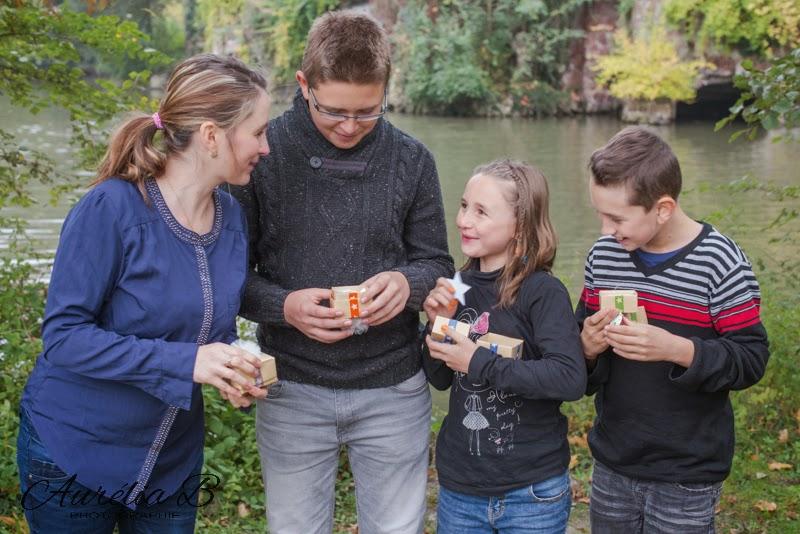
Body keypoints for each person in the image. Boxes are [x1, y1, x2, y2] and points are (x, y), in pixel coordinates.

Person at [16, 54, 271, 533]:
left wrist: (230, 370)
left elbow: (203, 332)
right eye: (257, 131)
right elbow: (64, 338)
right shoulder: (110, 208)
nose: (267, 146)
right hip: (75, 456)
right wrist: (187, 363)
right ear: (212, 135)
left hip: (170, 466)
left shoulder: (232, 218)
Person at [230, 11, 453, 534]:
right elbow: (230, 279)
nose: (350, 126)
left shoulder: (412, 160)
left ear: (385, 91)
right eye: (334, 111)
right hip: (291, 387)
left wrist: (407, 285)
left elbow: (436, 263)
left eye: (367, 112)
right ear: (303, 85)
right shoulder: (262, 155)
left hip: (394, 388)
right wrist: (285, 307)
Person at [576, 126, 770, 533]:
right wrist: (587, 347)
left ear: (662, 208)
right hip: (614, 459)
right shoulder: (605, 255)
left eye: (616, 218)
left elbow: (751, 359)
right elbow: (579, 346)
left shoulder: (721, 262)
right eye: (599, 214)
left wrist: (677, 350)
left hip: (688, 471)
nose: (604, 229)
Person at [422, 159, 586, 533]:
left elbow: (569, 377)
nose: (464, 220)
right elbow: (440, 377)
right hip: (461, 488)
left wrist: (478, 360)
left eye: (481, 212)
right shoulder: (457, 285)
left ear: (520, 225)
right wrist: (434, 326)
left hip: (531, 490)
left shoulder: (542, 292)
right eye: (464, 206)